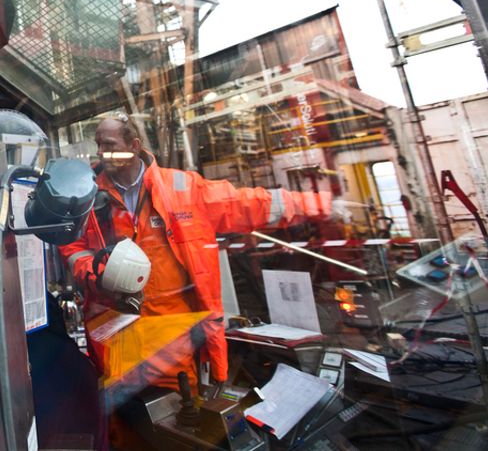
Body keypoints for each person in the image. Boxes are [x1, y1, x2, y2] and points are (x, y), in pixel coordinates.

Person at [58, 114, 333, 402]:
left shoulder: (182, 189)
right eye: (98, 144)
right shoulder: (86, 195)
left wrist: (320, 204)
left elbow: (247, 203)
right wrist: (96, 273)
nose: (101, 153)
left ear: (135, 146)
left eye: (109, 145)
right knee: (123, 432)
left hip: (171, 343)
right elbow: (72, 247)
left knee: (180, 423)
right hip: (116, 345)